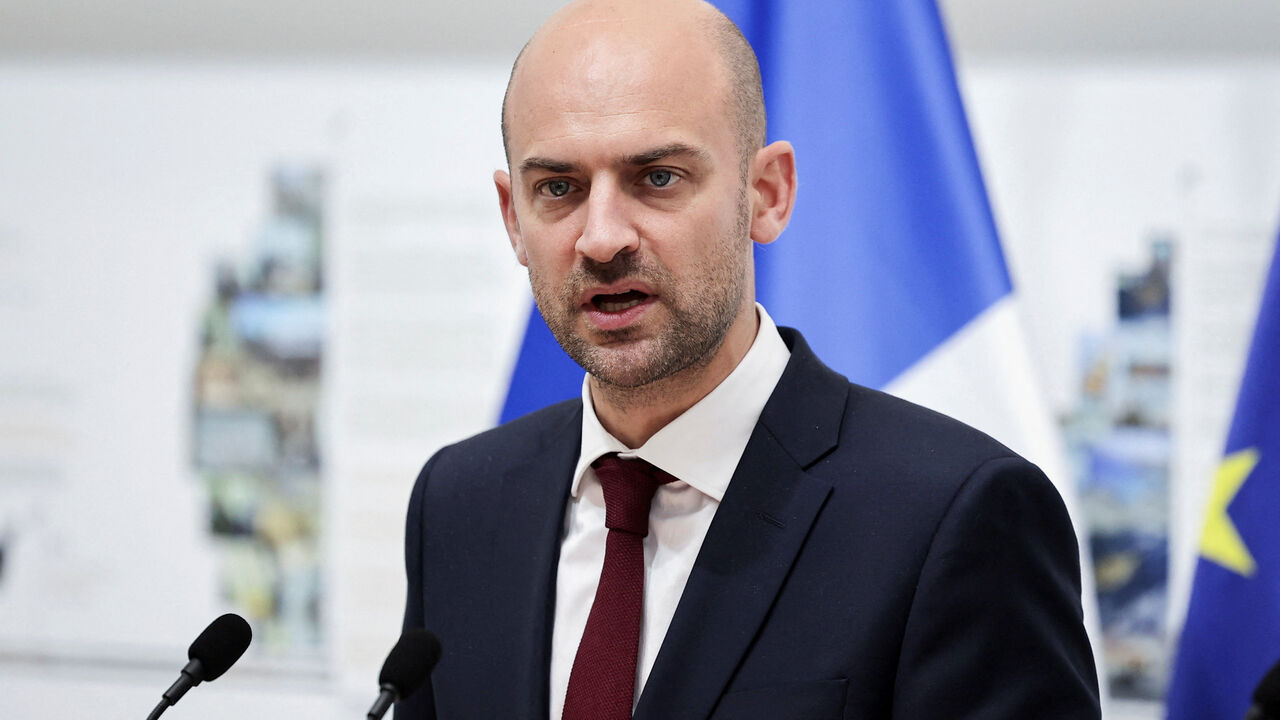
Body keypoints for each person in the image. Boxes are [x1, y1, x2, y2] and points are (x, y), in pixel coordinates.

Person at [397, 0, 1100, 718]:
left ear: (768, 194)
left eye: (658, 178)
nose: (602, 238)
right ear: (514, 220)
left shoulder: (956, 516)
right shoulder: (458, 502)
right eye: (558, 189)